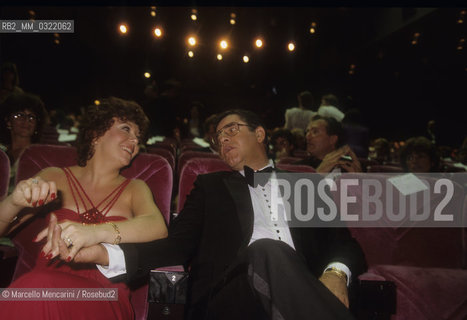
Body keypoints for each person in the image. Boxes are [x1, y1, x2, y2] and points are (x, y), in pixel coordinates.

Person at [50, 109, 366, 320]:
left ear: (259, 134)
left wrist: (337, 273)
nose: (222, 139)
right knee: (268, 247)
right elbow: (173, 246)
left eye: (231, 130)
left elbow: (345, 243)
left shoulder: (306, 185)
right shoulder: (210, 187)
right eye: (218, 137)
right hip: (231, 296)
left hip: (300, 292)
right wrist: (105, 252)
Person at [0, 97, 168, 319]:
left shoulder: (135, 188)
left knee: (33, 291)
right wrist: (14, 202)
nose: (134, 141)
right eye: (126, 129)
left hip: (106, 295)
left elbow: (157, 227)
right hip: (46, 286)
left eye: (138, 138)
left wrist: (94, 232)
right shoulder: (53, 176)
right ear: (95, 133)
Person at [0, 92, 48, 193]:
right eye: (19, 115)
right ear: (8, 121)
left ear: (36, 125)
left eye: (31, 117)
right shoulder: (2, 153)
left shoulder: (42, 155)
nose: (26, 121)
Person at [297, 115, 361, 174]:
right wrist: (319, 173)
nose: (307, 136)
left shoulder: (349, 167)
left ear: (332, 139)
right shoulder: (298, 168)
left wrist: (359, 179)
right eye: (307, 131)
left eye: (315, 132)